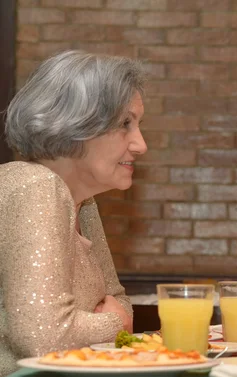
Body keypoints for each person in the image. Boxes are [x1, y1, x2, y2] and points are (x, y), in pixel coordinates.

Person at [0, 50, 147, 375]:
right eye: (126, 124)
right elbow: (43, 338)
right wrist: (115, 323)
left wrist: (112, 318)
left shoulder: (83, 202)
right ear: (76, 124)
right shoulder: (35, 187)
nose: (140, 145)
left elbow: (119, 300)